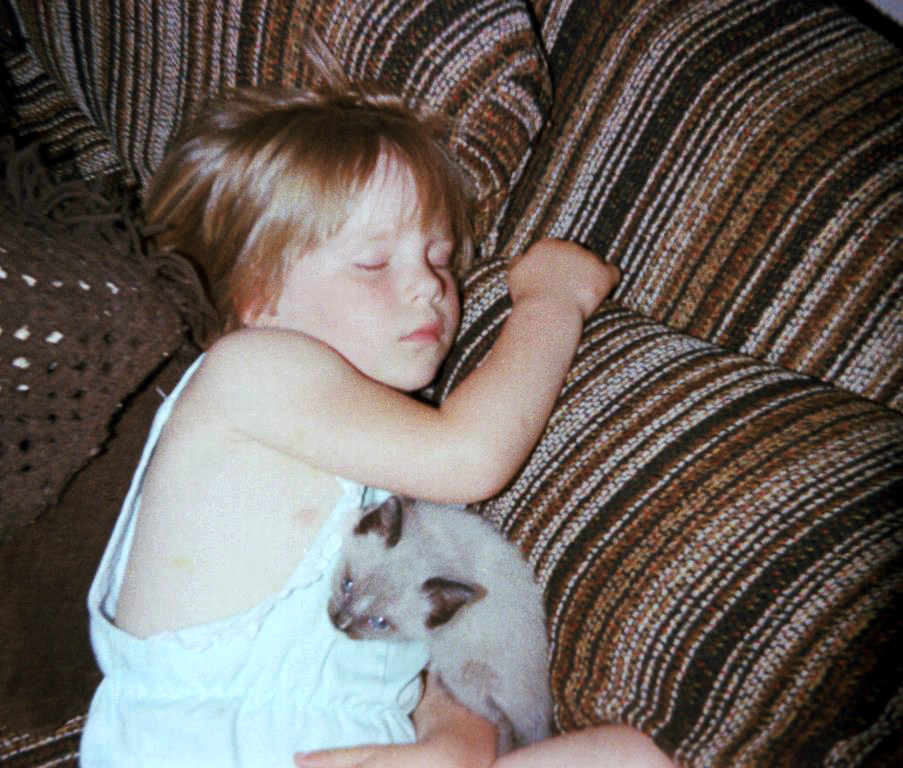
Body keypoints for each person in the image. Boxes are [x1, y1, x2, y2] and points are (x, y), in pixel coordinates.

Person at [80, 77, 670, 767]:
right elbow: (469, 457)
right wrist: (550, 303)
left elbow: (407, 664)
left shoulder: (374, 463)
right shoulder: (248, 373)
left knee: (629, 756)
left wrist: (456, 741)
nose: (429, 285)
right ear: (256, 297)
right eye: (372, 262)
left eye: (439, 258)